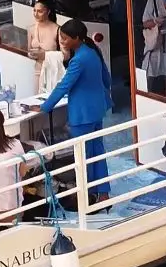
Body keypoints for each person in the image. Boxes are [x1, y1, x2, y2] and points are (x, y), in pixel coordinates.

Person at [41, 18, 114, 201]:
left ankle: (87, 196)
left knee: (83, 156)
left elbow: (63, 85)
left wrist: (45, 106)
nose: (62, 42)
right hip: (97, 110)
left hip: (82, 114)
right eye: (61, 38)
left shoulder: (79, 60)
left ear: (77, 38)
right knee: (97, 151)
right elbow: (107, 79)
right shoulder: (92, 52)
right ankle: (103, 192)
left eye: (65, 38)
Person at [25, 0, 65, 92]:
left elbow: (65, 54)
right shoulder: (31, 29)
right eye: (34, 11)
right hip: (38, 70)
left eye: (40, 11)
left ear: (48, 12)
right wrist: (31, 54)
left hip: (53, 70)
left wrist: (45, 55)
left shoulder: (57, 29)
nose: (36, 14)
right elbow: (28, 50)